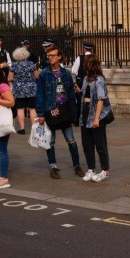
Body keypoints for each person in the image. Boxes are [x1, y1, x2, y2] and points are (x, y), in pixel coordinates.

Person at [35, 43, 83, 179]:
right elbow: (40, 95)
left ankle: (77, 165)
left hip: (65, 111)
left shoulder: (66, 74)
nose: (50, 58)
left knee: (71, 140)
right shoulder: (44, 74)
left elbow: (71, 95)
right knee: (50, 142)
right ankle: (53, 167)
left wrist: (74, 113)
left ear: (59, 57)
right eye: (48, 55)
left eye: (53, 55)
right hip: (50, 111)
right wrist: (41, 114)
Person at [79, 56, 112, 183]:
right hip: (85, 114)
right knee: (87, 144)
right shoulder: (86, 79)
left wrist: (97, 119)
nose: (84, 66)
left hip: (97, 115)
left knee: (100, 144)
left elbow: (101, 100)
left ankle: (105, 170)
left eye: (86, 64)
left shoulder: (99, 80)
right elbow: (85, 95)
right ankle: (91, 168)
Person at [10, 45, 37, 135]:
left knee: (20, 108)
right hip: (31, 88)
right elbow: (37, 76)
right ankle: (34, 128)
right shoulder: (31, 64)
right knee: (32, 109)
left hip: (19, 89)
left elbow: (10, 78)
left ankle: (22, 128)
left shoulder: (14, 65)